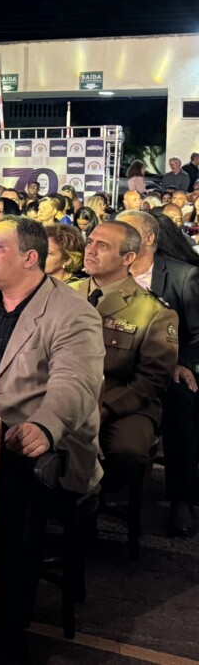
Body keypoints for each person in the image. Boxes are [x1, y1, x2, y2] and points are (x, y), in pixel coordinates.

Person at [0, 216, 104, 657]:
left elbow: (75, 383)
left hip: (36, 440)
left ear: (30, 258)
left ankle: (10, 628)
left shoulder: (72, 313)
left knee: (17, 499)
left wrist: (45, 425)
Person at [71, 221, 176, 489]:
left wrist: (105, 408)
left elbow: (152, 379)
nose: (90, 250)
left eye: (103, 246)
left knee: (125, 449)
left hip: (121, 401)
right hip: (65, 392)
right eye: (90, 242)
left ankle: (100, 501)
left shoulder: (153, 311)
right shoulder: (65, 294)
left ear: (128, 258)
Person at [116, 209, 199, 534]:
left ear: (148, 238)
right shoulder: (107, 270)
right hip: (115, 367)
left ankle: (181, 498)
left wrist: (180, 361)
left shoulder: (183, 277)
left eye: (127, 230)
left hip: (166, 370)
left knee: (180, 398)